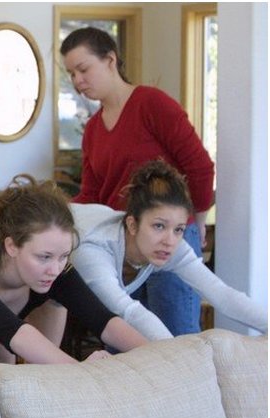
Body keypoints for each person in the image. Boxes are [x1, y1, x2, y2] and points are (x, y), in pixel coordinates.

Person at [60, 26, 215, 336]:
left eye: (83, 69)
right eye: (71, 74)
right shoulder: (92, 129)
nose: (78, 81)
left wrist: (193, 226)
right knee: (125, 344)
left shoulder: (151, 104)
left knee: (176, 338)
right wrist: (59, 217)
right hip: (122, 248)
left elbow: (200, 168)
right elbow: (91, 194)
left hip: (168, 241)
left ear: (110, 60)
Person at [0, 174, 148, 370]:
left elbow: (103, 320)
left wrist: (158, 354)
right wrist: (83, 372)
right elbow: (15, 333)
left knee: (12, 372)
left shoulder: (56, 268)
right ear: (12, 246)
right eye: (44, 257)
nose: (55, 269)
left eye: (64, 255)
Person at [71, 160, 267, 340]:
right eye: (158, 226)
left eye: (179, 229)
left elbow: (222, 294)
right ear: (132, 224)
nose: (170, 241)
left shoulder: (171, 245)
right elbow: (128, 310)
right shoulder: (94, 248)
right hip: (48, 249)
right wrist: (179, 356)